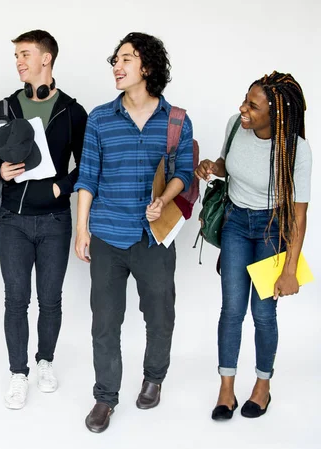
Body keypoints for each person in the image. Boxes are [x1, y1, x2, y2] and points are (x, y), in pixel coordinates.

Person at [74, 32, 194, 433]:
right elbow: (87, 177)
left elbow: (183, 173)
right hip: (108, 233)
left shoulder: (176, 119)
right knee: (105, 321)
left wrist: (166, 198)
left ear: (148, 67)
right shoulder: (100, 118)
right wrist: (81, 229)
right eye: (114, 60)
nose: (117, 66)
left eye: (126, 59)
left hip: (154, 238)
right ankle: (105, 398)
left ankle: (154, 377)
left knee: (160, 315)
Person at [0, 30, 87, 409]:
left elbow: (88, 167)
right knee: (15, 300)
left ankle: (45, 362)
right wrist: (0, 170)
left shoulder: (72, 112)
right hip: (13, 219)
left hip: (56, 220)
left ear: (47, 59)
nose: (19, 62)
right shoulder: (5, 108)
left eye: (25, 54)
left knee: (51, 300)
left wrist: (63, 187)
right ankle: (18, 372)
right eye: (16, 56)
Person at [195, 72, 311, 420]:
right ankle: (226, 387)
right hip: (234, 224)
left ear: (276, 115)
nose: (242, 108)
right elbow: (226, 166)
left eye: (252, 105)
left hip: (270, 230)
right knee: (231, 309)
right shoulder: (236, 126)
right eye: (245, 99)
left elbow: (299, 217)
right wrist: (210, 167)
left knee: (263, 313)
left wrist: (290, 270)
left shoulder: (295, 150)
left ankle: (263, 385)